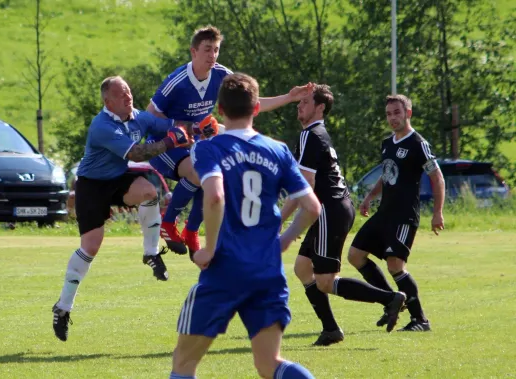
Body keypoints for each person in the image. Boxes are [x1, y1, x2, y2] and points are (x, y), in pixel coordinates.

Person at [169, 73, 320, 379]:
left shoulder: (210, 148)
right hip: (266, 271)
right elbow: (312, 207)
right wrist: (286, 239)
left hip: (225, 270)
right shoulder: (278, 150)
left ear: (220, 110)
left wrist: (208, 248)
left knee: (183, 364)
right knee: (269, 365)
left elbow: (214, 196)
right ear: (255, 108)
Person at [52, 76, 202, 342]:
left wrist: (200, 127)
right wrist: (171, 142)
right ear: (108, 102)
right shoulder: (102, 126)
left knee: (148, 192)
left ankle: (151, 253)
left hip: (117, 177)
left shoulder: (138, 117)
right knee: (91, 246)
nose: (128, 97)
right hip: (92, 185)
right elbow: (138, 154)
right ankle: (62, 308)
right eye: (122, 95)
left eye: (129, 92)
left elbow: (172, 125)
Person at [146, 25, 315, 257]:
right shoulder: (178, 81)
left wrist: (289, 97)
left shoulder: (221, 74)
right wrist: (184, 127)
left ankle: (191, 231)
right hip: (163, 145)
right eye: (207, 50)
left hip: (193, 142)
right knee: (198, 173)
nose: (212, 56)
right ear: (193, 52)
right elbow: (148, 117)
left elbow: (250, 103)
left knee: (213, 176)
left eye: (216, 50)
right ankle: (168, 223)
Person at [280, 85, 407, 346]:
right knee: (303, 268)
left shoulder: (310, 135)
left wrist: (280, 221)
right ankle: (331, 330)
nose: (298, 105)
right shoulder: (313, 133)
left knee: (326, 281)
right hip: (333, 208)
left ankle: (389, 299)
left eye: (305, 102)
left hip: (330, 209)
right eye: (299, 102)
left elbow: (306, 185)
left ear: (320, 108)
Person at [348, 94, 445, 332]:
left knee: (395, 266)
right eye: (389, 114)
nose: (392, 118)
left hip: (404, 216)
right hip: (384, 213)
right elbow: (388, 173)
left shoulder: (418, 143)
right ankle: (391, 300)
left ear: (408, 113)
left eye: (397, 113)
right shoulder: (388, 143)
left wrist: (437, 212)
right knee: (355, 255)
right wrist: (370, 197)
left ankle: (420, 320)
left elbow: (437, 177)